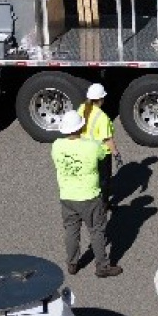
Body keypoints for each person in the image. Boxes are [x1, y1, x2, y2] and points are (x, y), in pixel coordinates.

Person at [50, 111, 122, 278]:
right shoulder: (92, 146)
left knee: (71, 230)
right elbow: (103, 156)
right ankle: (102, 267)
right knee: (96, 231)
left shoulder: (57, 145)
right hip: (89, 196)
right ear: (81, 126)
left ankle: (72, 263)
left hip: (67, 196)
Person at [77, 83, 118, 203]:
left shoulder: (82, 108)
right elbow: (107, 139)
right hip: (100, 154)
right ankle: (103, 204)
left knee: (89, 177)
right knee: (104, 181)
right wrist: (116, 153)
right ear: (101, 99)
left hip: (84, 150)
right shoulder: (102, 117)